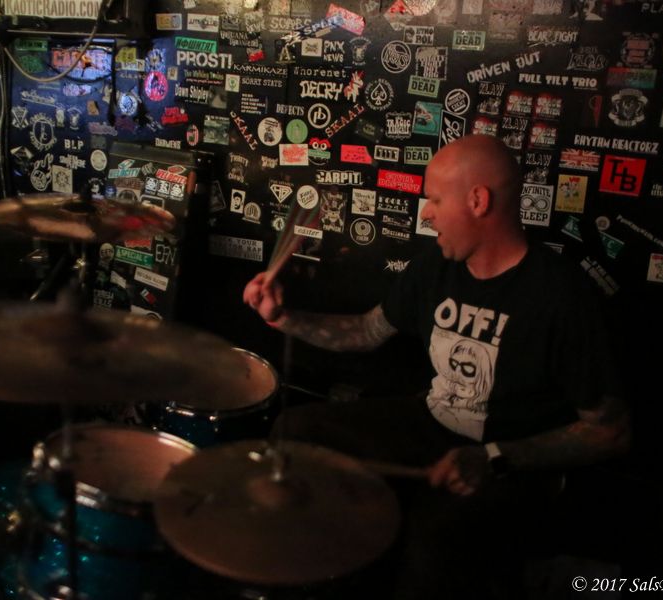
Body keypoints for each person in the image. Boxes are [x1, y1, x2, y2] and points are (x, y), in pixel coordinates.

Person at [243, 135, 630, 598]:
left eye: (436, 200)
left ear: (478, 201)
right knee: (295, 432)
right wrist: (283, 317)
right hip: (431, 426)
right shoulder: (436, 267)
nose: (425, 213)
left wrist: (495, 457)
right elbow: (366, 332)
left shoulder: (559, 296)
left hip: (511, 463)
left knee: (431, 546)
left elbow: (609, 432)